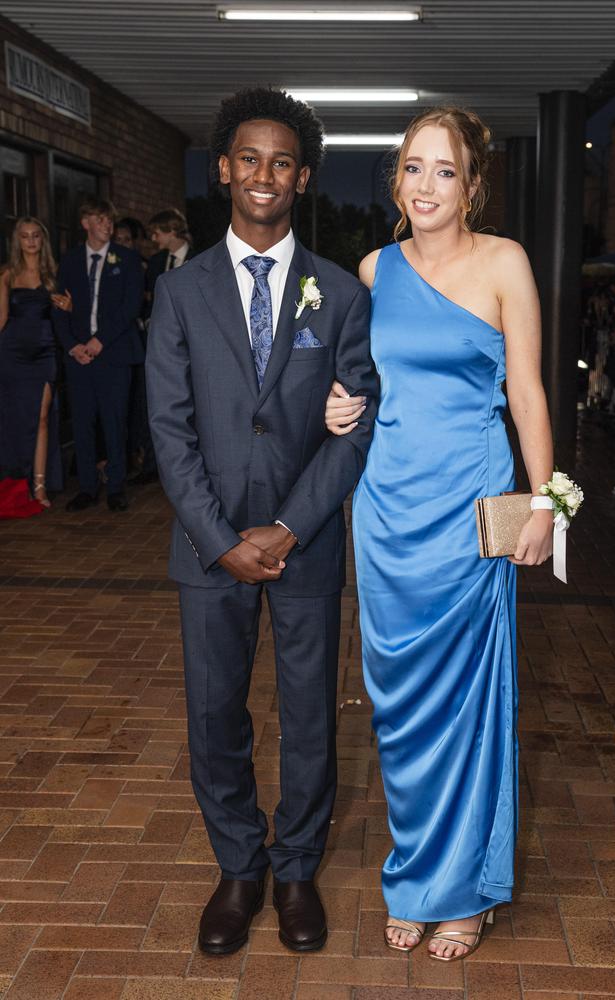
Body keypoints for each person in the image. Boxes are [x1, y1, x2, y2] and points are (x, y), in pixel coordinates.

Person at [146, 87, 378, 957]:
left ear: (303, 176)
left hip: (306, 541)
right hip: (208, 549)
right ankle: (239, 870)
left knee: (310, 714)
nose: (264, 175)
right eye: (249, 158)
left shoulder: (340, 299)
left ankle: (298, 870)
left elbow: (353, 435)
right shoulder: (180, 294)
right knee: (216, 715)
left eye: (282, 161)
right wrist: (222, 539)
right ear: (223, 170)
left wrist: (286, 527)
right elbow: (168, 428)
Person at [325, 106, 554, 961]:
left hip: (468, 506)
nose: (426, 185)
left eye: (445, 171)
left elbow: (527, 391)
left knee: (466, 703)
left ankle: (460, 889)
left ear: (472, 184)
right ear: (396, 182)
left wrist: (546, 500)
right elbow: (361, 388)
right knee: (398, 707)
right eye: (414, 169)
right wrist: (339, 406)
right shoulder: (373, 269)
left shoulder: (505, 263)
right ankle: (415, 872)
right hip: (385, 511)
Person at [53, 196, 144, 512]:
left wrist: (99, 341)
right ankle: (88, 488)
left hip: (113, 354)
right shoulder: (70, 261)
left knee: (114, 420)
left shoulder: (128, 259)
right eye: (101, 220)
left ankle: (116, 486)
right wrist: (72, 345)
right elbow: (59, 306)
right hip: (78, 357)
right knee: (82, 422)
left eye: (110, 220)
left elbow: (130, 307)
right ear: (86, 223)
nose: (108, 226)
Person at [0, 216, 69, 511]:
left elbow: (68, 316)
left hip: (44, 353)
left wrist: (70, 307)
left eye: (35, 236)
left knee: (42, 416)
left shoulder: (54, 274)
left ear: (43, 239)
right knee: (15, 419)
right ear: (17, 241)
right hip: (12, 353)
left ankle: (39, 486)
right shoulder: (6, 274)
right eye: (25, 236)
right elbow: (1, 320)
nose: (30, 241)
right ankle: (17, 480)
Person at [129, 209, 195, 487]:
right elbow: (146, 301)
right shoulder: (156, 263)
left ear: (171, 231)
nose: (154, 238)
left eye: (157, 232)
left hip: (194, 345)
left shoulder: (201, 258)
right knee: (156, 402)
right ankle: (153, 467)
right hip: (158, 344)